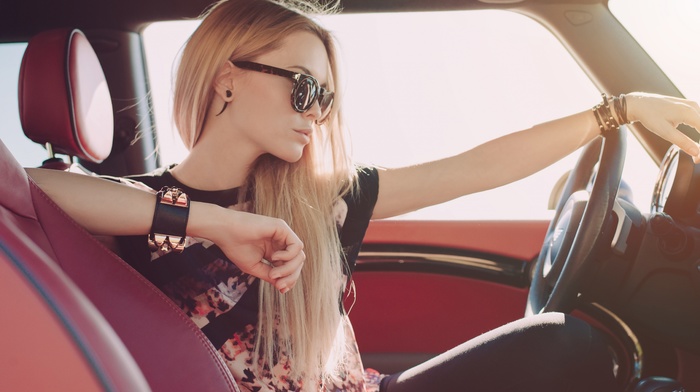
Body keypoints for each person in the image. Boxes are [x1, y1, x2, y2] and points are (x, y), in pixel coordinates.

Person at [26, 0, 700, 391]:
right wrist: (215, 223)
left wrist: (614, 111)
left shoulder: (321, 200)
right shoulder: (135, 211)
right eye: (304, 87)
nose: (317, 112)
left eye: (327, 98)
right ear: (228, 80)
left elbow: (473, 167)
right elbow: (35, 187)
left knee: (572, 346)